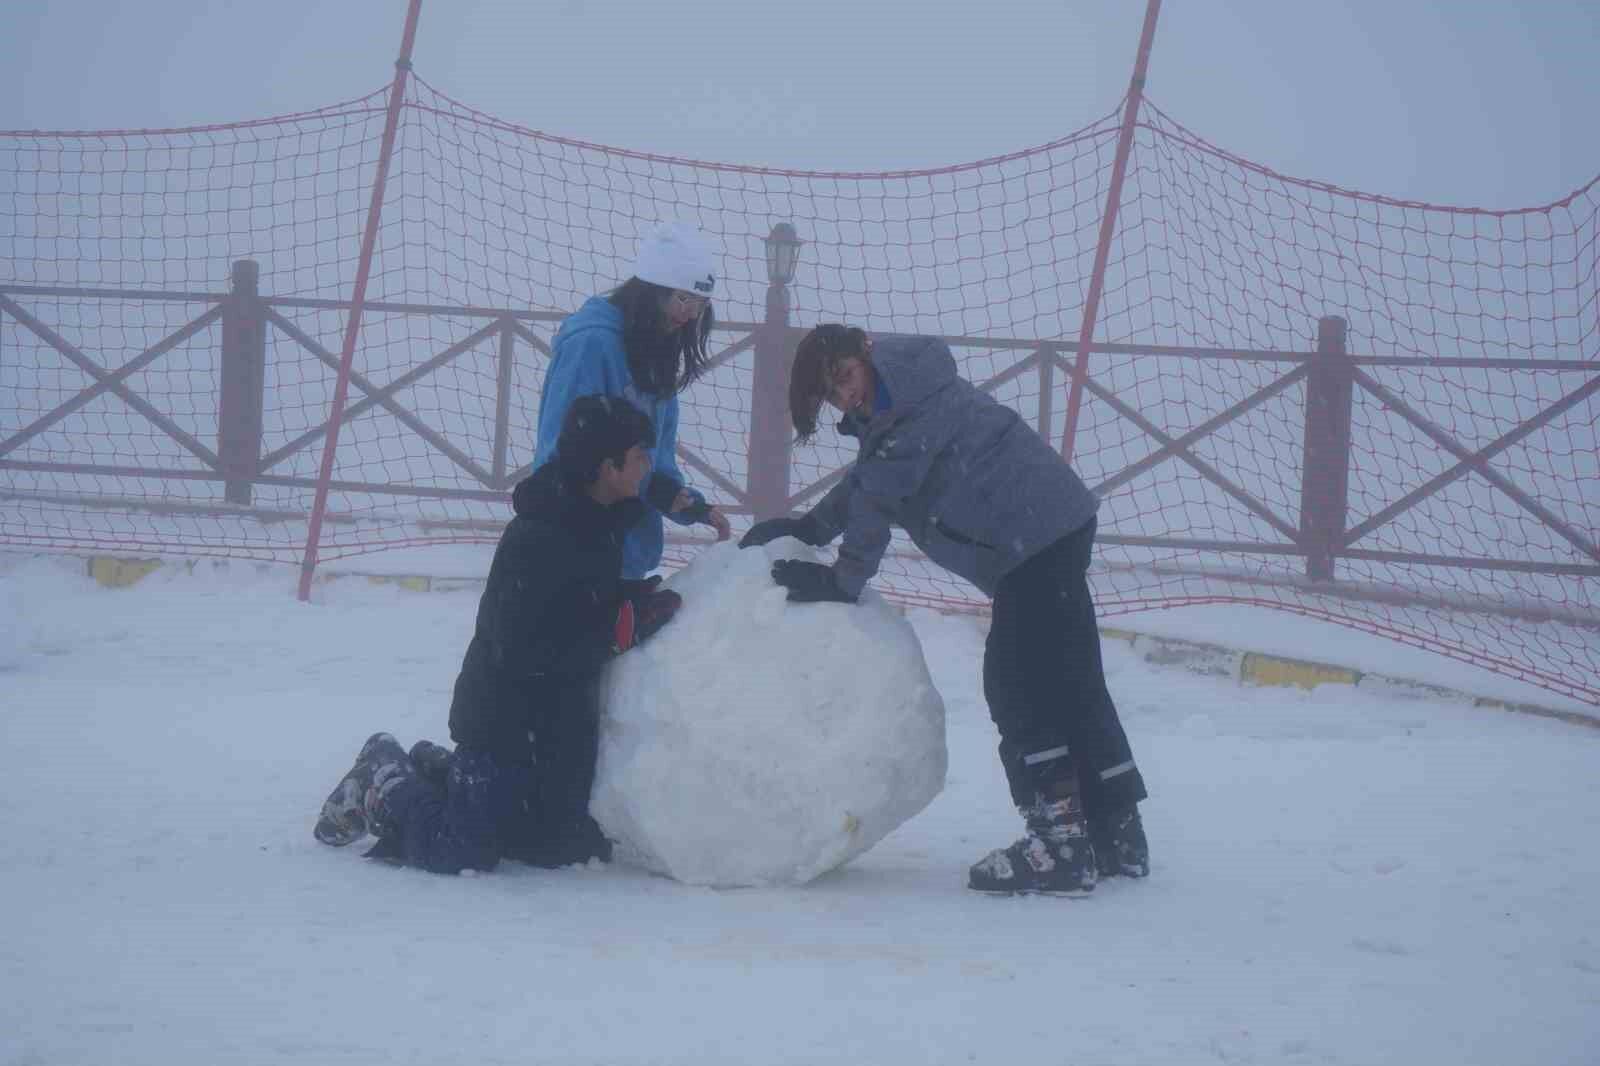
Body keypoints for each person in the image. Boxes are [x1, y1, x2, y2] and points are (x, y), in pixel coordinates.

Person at [740, 324, 1150, 896]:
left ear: (863, 351)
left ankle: (1060, 843)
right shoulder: (903, 394)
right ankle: (1117, 830)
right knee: (1071, 679)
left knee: (1018, 685)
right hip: (1051, 525)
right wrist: (812, 526)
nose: (845, 397)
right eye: (831, 395)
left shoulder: (908, 409)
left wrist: (843, 579)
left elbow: (879, 495)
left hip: (1031, 539)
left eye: (844, 378)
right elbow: (871, 478)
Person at [313, 395, 684, 874]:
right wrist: (611, 638)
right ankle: (381, 774)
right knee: (462, 851)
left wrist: (633, 602)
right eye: (640, 457)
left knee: (558, 848)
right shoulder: (539, 537)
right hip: (504, 721)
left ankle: (437, 771)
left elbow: (582, 601)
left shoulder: (603, 521)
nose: (648, 467)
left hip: (557, 725)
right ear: (607, 467)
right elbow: (521, 648)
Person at [534, 220, 732, 580]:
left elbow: (656, 456)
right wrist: (574, 536)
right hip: (577, 550)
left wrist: (675, 497)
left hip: (626, 554)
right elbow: (560, 451)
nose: (689, 314)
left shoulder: (655, 354)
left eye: (700, 304)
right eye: (683, 298)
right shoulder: (591, 345)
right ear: (649, 292)